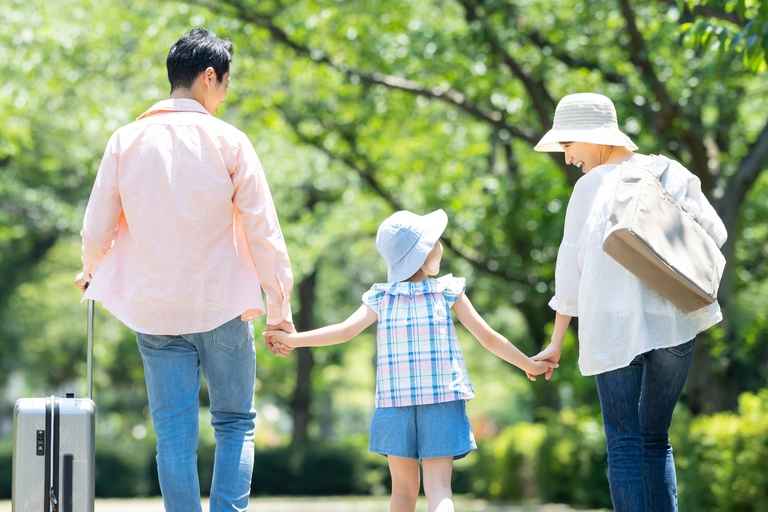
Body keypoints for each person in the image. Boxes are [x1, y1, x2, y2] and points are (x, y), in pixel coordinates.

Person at [74, 27, 295, 512]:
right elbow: (264, 233)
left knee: (173, 434)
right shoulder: (230, 141)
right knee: (235, 421)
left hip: (154, 312)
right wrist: (279, 310)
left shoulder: (125, 140)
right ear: (209, 76)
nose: (224, 97)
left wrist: (93, 269)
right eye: (226, 85)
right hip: (223, 308)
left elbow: (96, 228)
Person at [265, 209, 557, 512]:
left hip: (394, 404)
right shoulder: (447, 291)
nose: (440, 246)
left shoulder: (381, 297)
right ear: (424, 253)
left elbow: (343, 331)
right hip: (443, 400)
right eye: (435, 242)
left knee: (402, 493)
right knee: (440, 488)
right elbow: (489, 338)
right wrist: (529, 364)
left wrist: (292, 339)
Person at [530, 92, 727, 511]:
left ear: (589, 135)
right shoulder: (670, 171)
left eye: (567, 145)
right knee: (656, 438)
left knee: (624, 444)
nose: (567, 158)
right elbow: (716, 235)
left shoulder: (590, 187)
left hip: (614, 327)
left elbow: (571, 271)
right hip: (676, 320)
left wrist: (557, 341)